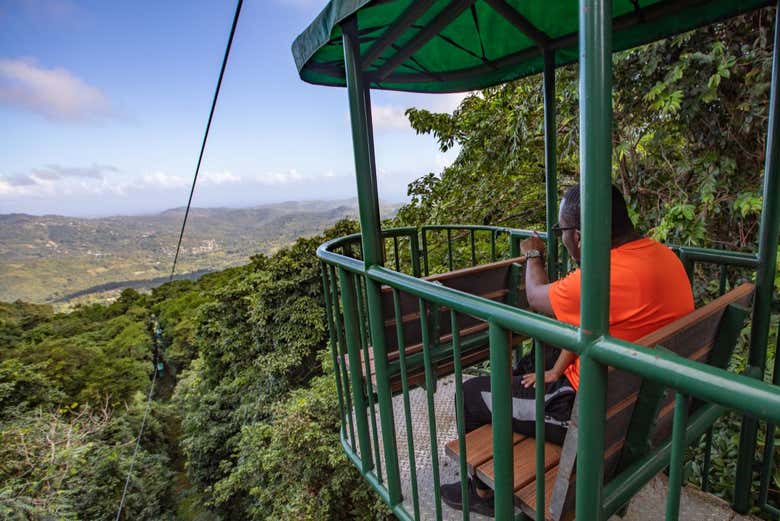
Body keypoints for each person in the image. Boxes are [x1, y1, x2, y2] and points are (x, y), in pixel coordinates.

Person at [440, 184, 694, 516]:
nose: (562, 238)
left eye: (562, 231)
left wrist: (533, 254)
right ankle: (515, 425)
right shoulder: (664, 257)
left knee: (471, 395)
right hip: (644, 406)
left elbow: (535, 296)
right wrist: (556, 369)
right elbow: (596, 329)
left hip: (589, 413)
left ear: (577, 235)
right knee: (536, 358)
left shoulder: (601, 277)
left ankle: (484, 493)